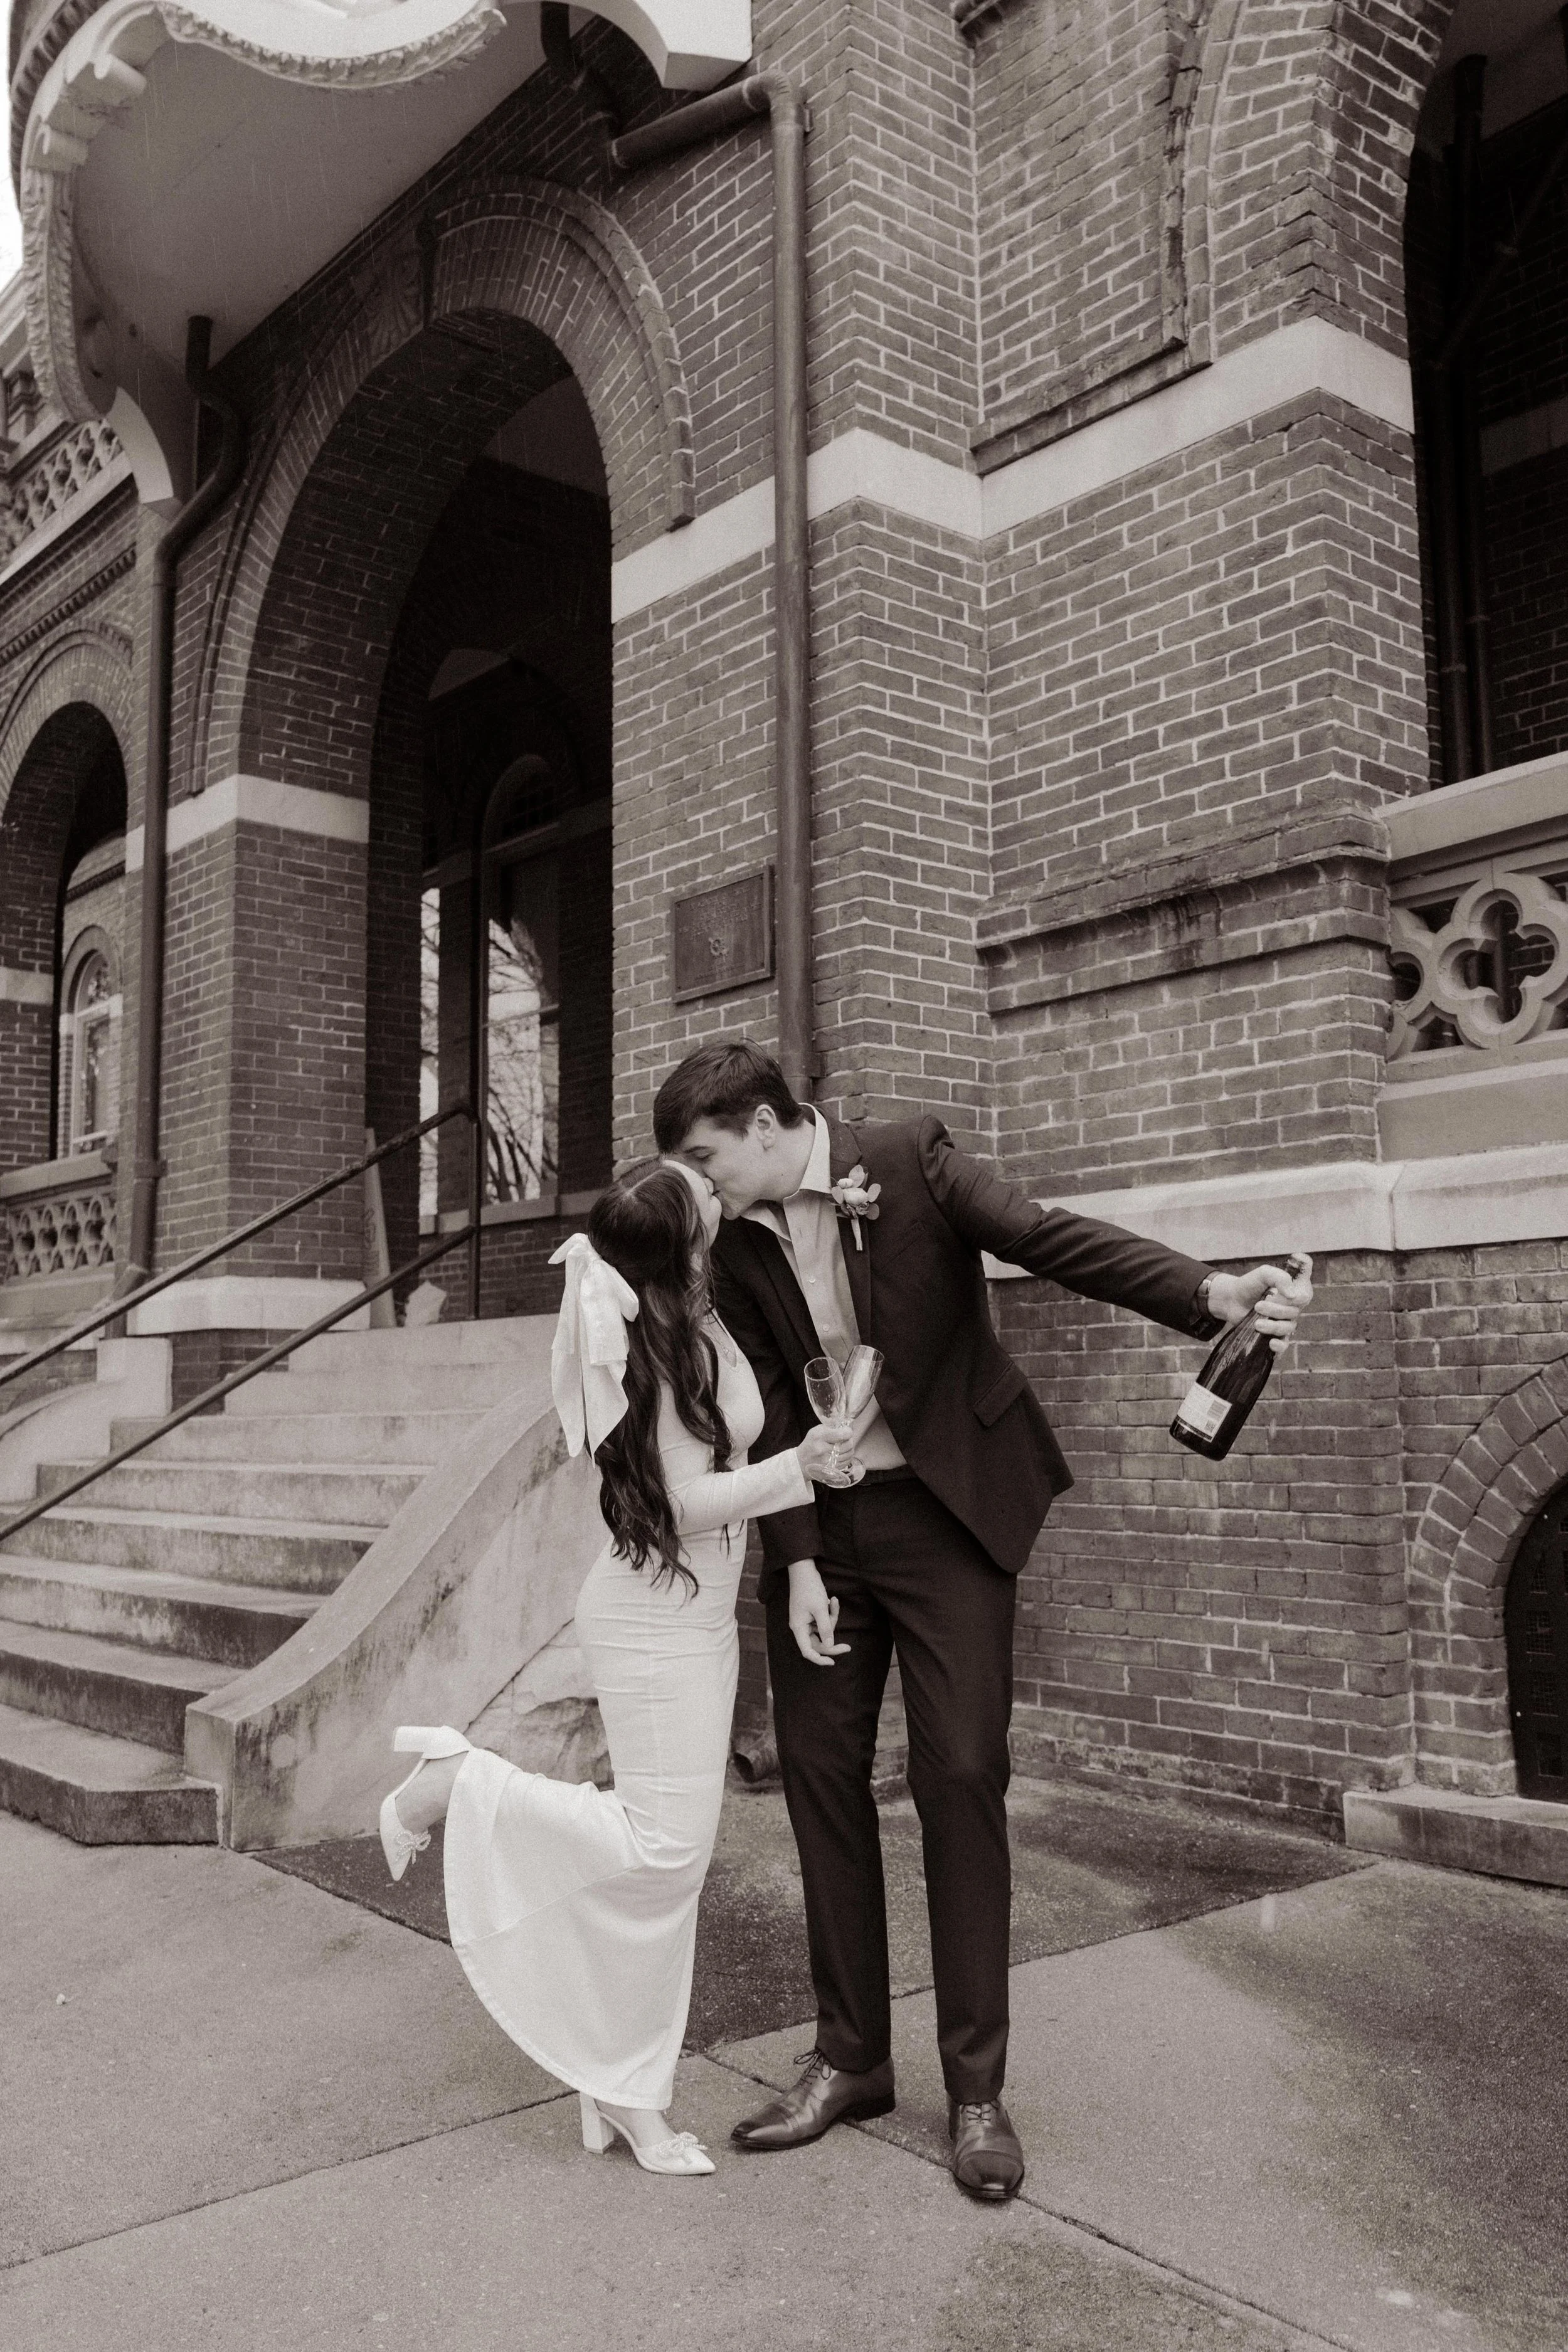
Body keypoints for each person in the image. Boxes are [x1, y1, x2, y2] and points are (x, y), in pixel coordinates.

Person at [654, 1041, 1311, 2202]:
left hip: (948, 1515)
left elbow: (1050, 1236)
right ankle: (850, 2058)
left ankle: (976, 2092)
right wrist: (798, 1559)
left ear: (764, 1124)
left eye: (706, 1156)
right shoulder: (735, 1237)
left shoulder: (909, 1160)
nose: (699, 1183)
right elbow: (760, 1405)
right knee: (818, 1776)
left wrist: (1210, 1292)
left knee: (961, 1772)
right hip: (827, 1527)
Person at [375, 1157, 857, 2176]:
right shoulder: (637, 1344)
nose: (723, 1197)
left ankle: (622, 2081)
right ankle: (465, 1783)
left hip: (695, 1613)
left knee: (668, 1868)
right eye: (706, 1200)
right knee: (664, 1852)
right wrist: (797, 1469)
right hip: (649, 1619)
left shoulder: (688, 1306)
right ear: (681, 1242)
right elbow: (681, 1501)